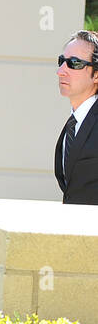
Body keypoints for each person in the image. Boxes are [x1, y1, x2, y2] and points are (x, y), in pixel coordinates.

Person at [55, 30, 98, 204]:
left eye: (74, 63)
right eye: (61, 61)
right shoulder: (72, 125)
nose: (61, 71)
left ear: (96, 74)